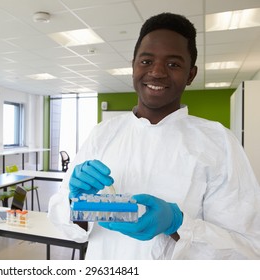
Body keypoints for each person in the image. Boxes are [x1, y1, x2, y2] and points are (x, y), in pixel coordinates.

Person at [48, 13, 260, 259]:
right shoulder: (103, 133)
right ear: (133, 66)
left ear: (191, 74)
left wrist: (178, 225)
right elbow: (67, 224)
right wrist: (76, 204)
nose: (157, 72)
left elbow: (247, 249)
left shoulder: (218, 142)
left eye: (173, 64)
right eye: (146, 61)